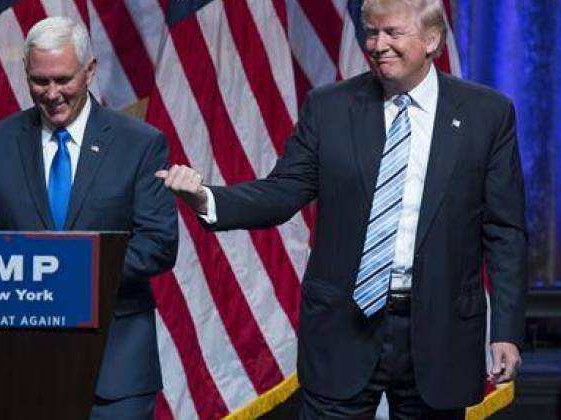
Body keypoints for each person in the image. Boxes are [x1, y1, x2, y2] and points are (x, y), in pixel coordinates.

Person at [157, 0, 527, 418]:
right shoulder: (329, 107)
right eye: (371, 32)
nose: (378, 44)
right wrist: (207, 198)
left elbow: (505, 232)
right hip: (342, 330)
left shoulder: (487, 114)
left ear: (432, 40)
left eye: (392, 33)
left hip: (439, 332)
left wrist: (507, 332)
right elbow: (283, 193)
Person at [0, 16, 178, 419]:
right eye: (40, 81)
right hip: (20, 365)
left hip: (115, 368)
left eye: (63, 79)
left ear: (90, 71)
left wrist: (68, 273)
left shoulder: (140, 144)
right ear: (27, 75)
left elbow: (158, 244)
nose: (52, 94)